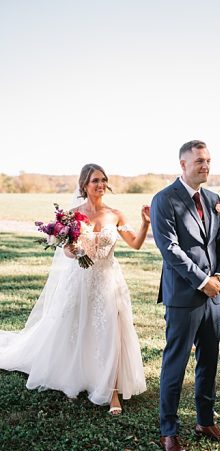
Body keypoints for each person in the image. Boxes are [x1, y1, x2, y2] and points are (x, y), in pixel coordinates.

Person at [0, 163, 148, 415]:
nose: (100, 184)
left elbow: (135, 244)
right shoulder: (71, 215)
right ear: (84, 185)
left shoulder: (115, 214)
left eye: (103, 180)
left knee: (111, 330)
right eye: (95, 181)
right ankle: (77, 375)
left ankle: (112, 392)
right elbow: (66, 250)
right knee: (76, 328)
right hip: (79, 280)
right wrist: (74, 251)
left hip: (108, 281)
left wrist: (145, 223)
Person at [150, 140, 220, 451]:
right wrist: (202, 282)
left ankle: (205, 422)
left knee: (208, 362)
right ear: (182, 165)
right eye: (199, 161)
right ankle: (169, 432)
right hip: (184, 296)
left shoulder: (214, 199)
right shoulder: (164, 200)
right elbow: (170, 249)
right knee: (176, 363)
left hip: (215, 297)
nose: (206, 165)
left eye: (209, 160)